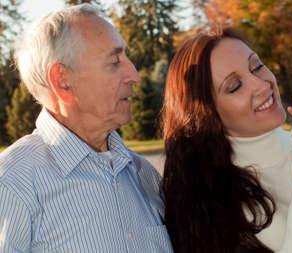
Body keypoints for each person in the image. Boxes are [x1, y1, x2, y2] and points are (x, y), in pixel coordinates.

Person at [0, 4, 173, 252]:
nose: (134, 75)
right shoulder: (11, 185)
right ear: (62, 81)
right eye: (115, 61)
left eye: (127, 58)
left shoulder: (144, 175)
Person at [160, 27, 292, 253]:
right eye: (234, 86)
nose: (262, 84)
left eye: (256, 66)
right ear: (207, 115)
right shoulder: (212, 201)